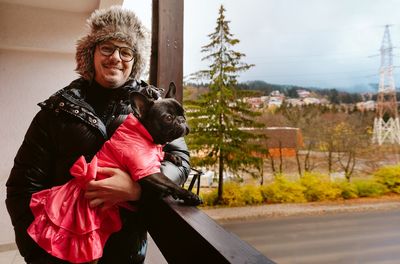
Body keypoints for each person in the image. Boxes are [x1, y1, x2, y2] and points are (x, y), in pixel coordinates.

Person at [5, 6, 190, 264]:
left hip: (126, 255)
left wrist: (137, 189)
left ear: (135, 62)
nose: (116, 57)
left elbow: (180, 161)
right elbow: (22, 188)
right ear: (90, 54)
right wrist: (39, 255)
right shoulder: (56, 110)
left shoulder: (156, 108)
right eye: (107, 48)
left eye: (126, 52)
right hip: (60, 256)